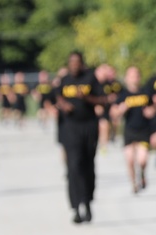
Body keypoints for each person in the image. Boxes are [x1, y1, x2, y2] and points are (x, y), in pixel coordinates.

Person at [55, 51, 104, 224]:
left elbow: (103, 100)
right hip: (70, 128)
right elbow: (56, 96)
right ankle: (76, 207)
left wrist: (87, 98)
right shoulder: (64, 80)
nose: (74, 65)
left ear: (82, 63)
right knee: (73, 166)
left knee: (88, 165)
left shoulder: (90, 78)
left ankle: (88, 202)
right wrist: (63, 105)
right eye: (71, 62)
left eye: (77, 62)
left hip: (89, 127)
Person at [112, 66, 156, 194]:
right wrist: (121, 109)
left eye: (136, 75)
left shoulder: (146, 92)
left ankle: (143, 174)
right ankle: (133, 183)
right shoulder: (123, 95)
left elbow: (154, 109)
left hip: (144, 130)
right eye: (131, 76)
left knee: (142, 159)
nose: (134, 78)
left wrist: (152, 111)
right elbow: (113, 112)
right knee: (130, 159)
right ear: (126, 78)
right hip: (129, 131)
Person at [97, 64, 122, 153]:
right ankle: (103, 144)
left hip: (113, 107)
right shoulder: (102, 83)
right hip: (103, 107)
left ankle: (113, 136)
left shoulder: (117, 84)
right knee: (103, 124)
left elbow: (122, 95)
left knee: (116, 121)